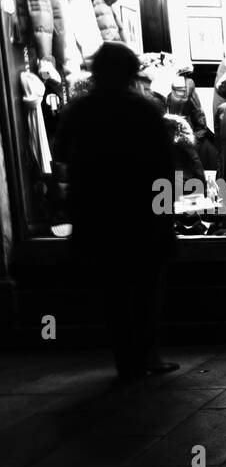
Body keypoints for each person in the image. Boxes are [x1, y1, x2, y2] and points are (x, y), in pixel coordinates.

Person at [54, 41, 179, 378]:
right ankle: (147, 354)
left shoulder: (78, 110)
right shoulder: (143, 110)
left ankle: (125, 358)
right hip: (139, 215)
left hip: (97, 214)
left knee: (113, 291)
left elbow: (62, 155)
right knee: (146, 289)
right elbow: (161, 168)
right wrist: (165, 216)